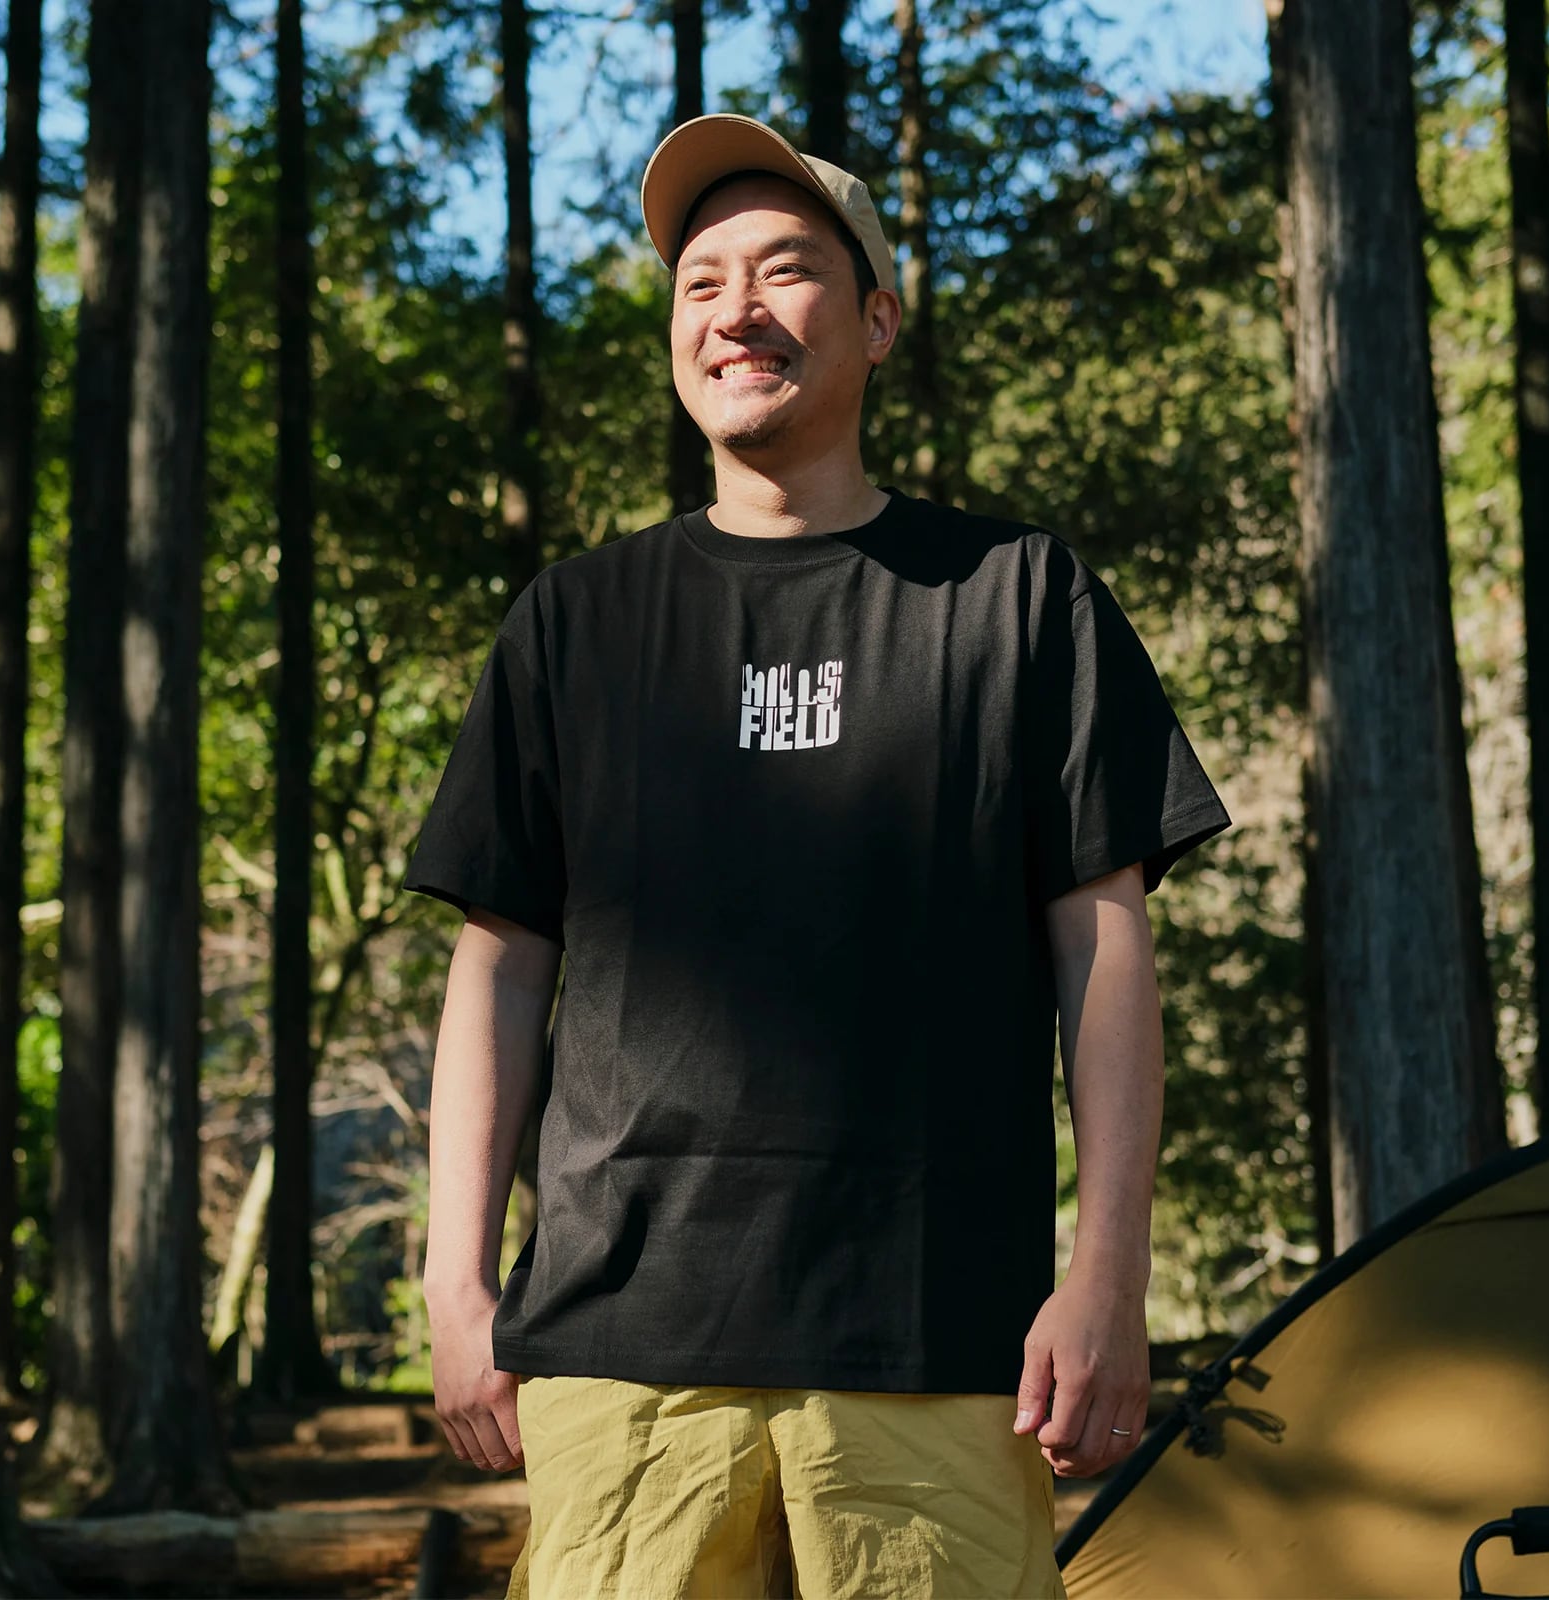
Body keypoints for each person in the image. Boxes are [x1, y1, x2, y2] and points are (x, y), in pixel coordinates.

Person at [404, 113, 1231, 1600]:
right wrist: (453, 1276)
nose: (737, 310)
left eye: (786, 270)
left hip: (937, 1345)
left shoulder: (1016, 599)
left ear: (878, 321)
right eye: (700, 282)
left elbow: (1103, 945)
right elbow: (502, 963)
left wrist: (1109, 1271)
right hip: (622, 1349)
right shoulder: (574, 625)